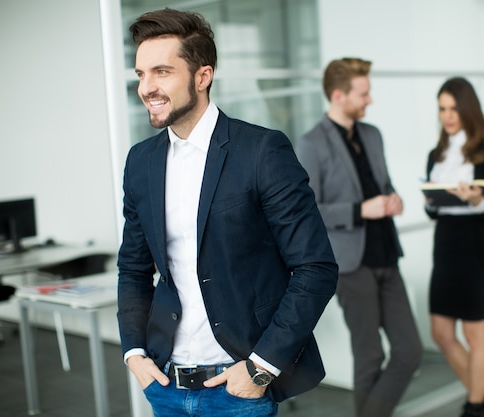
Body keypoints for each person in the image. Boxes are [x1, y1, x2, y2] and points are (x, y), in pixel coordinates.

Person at [116, 9, 338, 417]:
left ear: (202, 76)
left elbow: (316, 268)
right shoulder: (140, 161)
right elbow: (133, 268)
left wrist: (261, 368)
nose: (147, 87)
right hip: (165, 383)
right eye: (140, 74)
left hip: (238, 386)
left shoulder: (260, 151)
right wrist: (134, 353)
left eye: (162, 72)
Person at [296, 57, 422, 417]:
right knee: (369, 357)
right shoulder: (311, 144)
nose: (370, 100)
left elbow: (381, 184)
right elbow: (309, 210)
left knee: (409, 350)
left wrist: (393, 198)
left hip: (386, 255)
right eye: (363, 94)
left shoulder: (373, 134)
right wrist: (359, 210)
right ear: (338, 95)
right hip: (351, 264)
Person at [424, 77, 484, 417]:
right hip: (445, 248)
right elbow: (432, 211)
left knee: (474, 333)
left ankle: (474, 406)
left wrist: (476, 199)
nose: (448, 115)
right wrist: (431, 201)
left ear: (467, 109)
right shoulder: (435, 155)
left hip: (474, 248)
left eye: (454, 108)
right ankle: (482, 399)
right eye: (442, 108)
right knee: (441, 333)